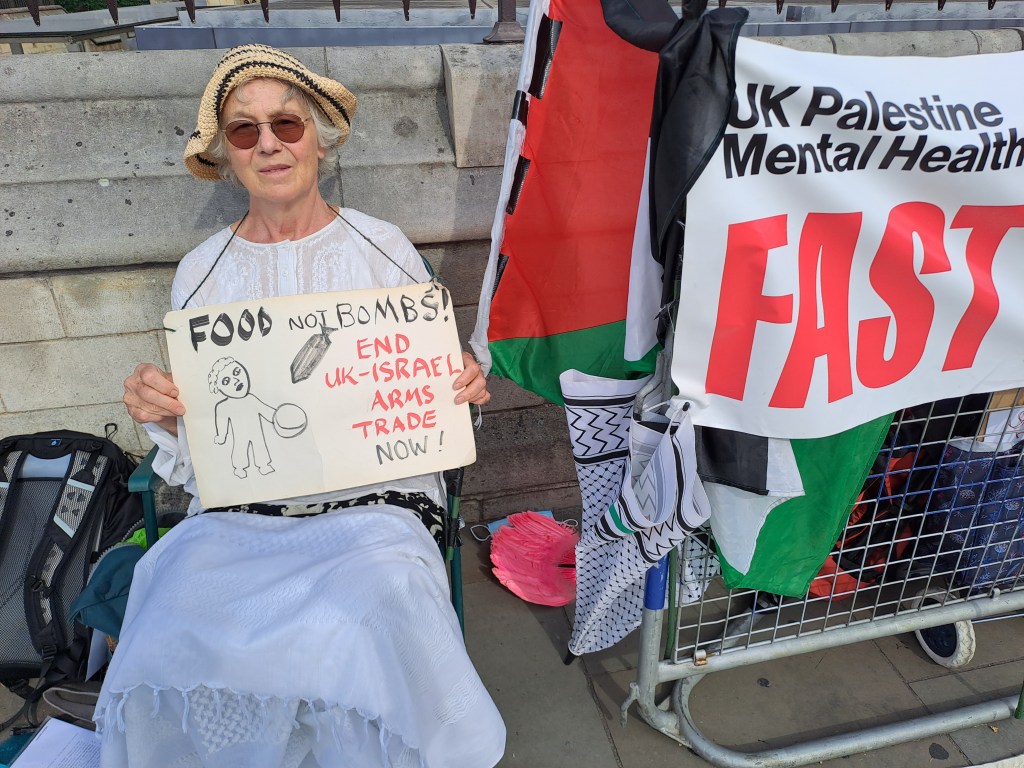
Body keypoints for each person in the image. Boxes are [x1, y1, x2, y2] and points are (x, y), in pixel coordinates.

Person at [101, 44, 505, 768]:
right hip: (241, 515)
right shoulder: (201, 272)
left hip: (376, 507)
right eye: (244, 130)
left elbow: (426, 398)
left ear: (320, 137)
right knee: (168, 611)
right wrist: (163, 413)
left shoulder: (381, 248)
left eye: (286, 124)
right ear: (226, 155)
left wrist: (461, 387)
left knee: (374, 602)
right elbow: (204, 445)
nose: (269, 144)